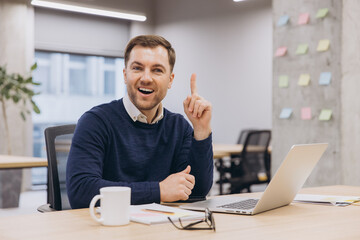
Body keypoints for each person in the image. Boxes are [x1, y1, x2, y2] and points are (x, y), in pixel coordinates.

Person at [66, 35, 213, 209]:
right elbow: (81, 191)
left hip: (160, 229)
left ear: (170, 80)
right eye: (137, 68)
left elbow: (195, 192)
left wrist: (201, 131)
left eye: (157, 70)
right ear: (125, 74)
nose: (146, 78)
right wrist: (158, 190)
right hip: (109, 229)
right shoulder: (95, 122)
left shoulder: (179, 127)